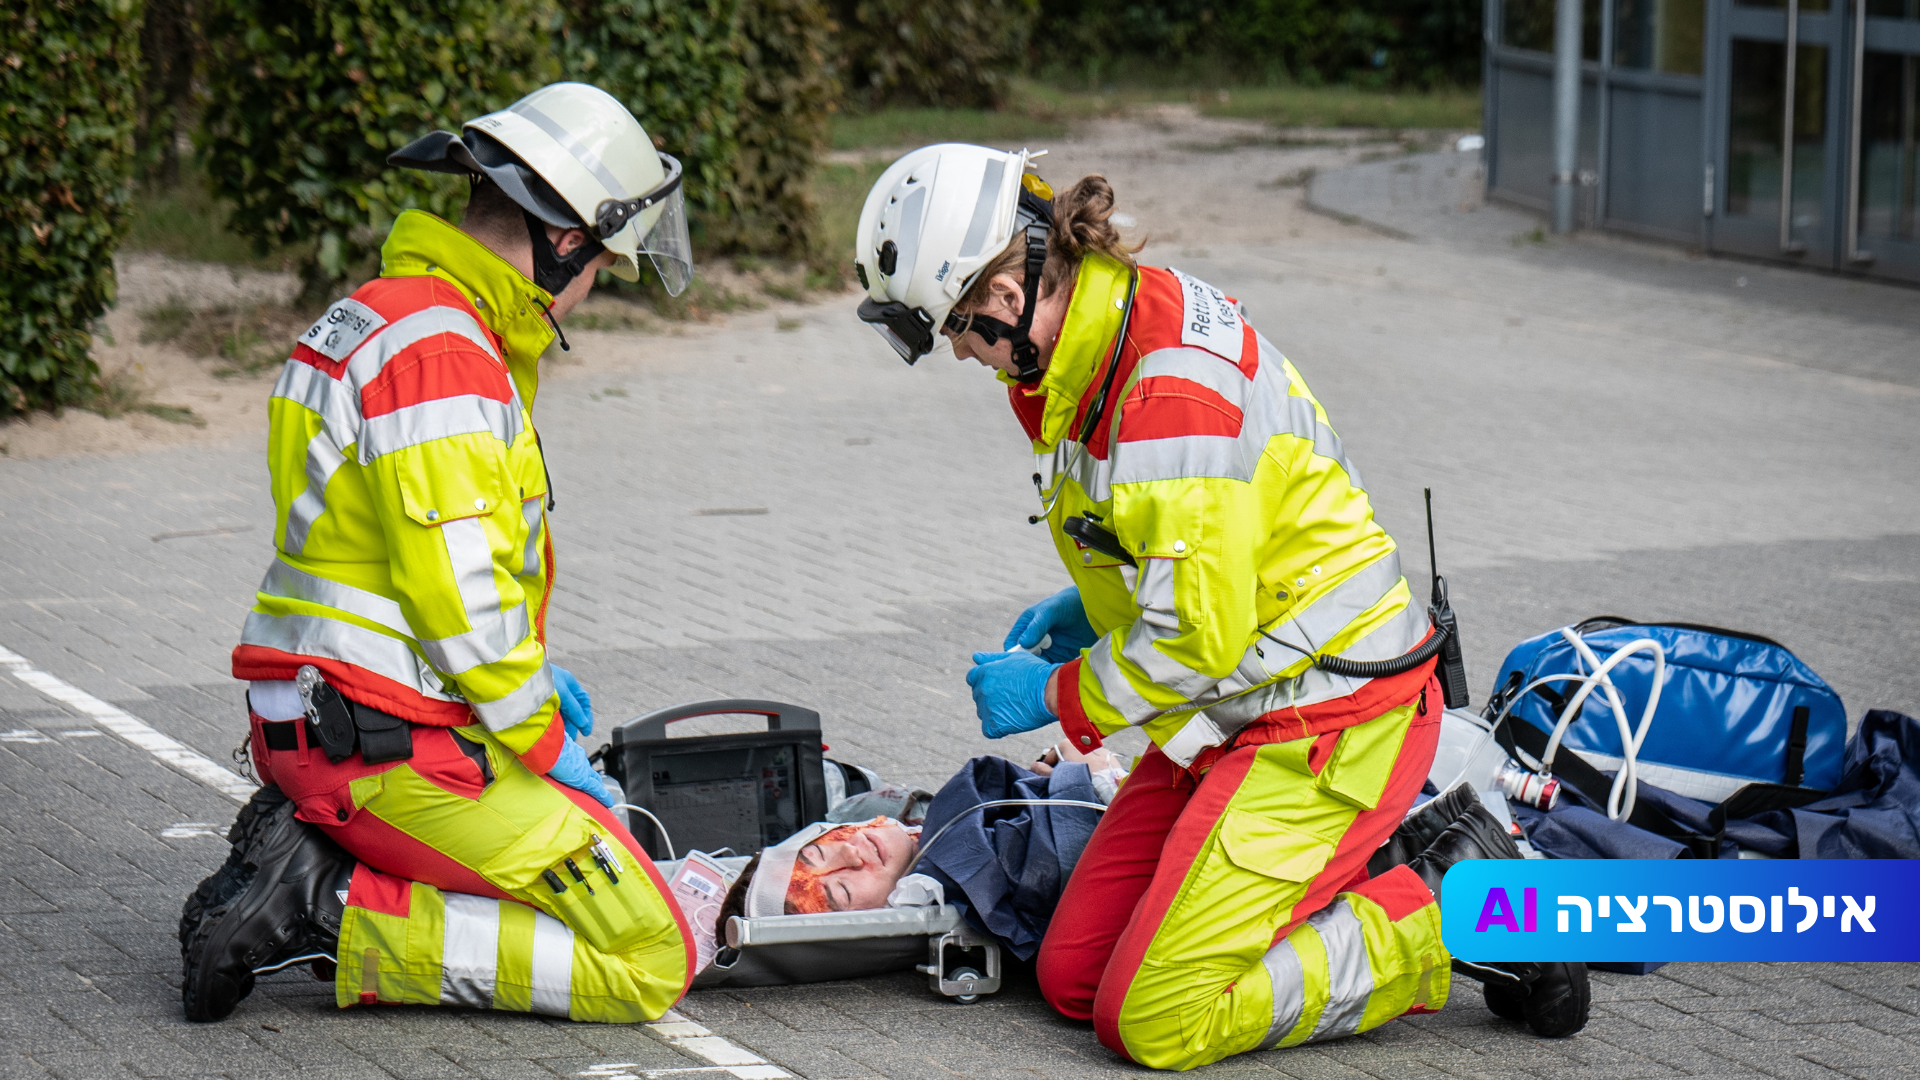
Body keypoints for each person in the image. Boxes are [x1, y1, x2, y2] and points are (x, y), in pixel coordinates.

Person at [850, 145, 1589, 1070]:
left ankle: (1439, 906)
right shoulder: (1097, 337)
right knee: (1075, 978)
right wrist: (1097, 604)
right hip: (1231, 713)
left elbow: (1198, 638)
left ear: (1003, 289)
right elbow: (1180, 539)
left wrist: (1056, 696)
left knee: (1155, 1017)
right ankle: (1316, 881)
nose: (962, 351)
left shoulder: (1164, 389)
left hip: (1328, 721)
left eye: (957, 327)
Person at [179, 82, 698, 1025]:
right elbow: (458, 592)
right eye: (599, 267)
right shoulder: (445, 353)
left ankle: (319, 863)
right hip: (383, 747)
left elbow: (389, 561)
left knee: (574, 873)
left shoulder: (383, 315)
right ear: (566, 239)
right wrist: (541, 738)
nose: (591, 295)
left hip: (337, 718)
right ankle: (327, 908)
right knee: (650, 949)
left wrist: (524, 677)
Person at [715, 740, 1128, 959]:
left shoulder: (909, 823)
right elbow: (1063, 858)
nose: (853, 856)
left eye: (823, 852)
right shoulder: (979, 872)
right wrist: (1100, 778)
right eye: (840, 892)